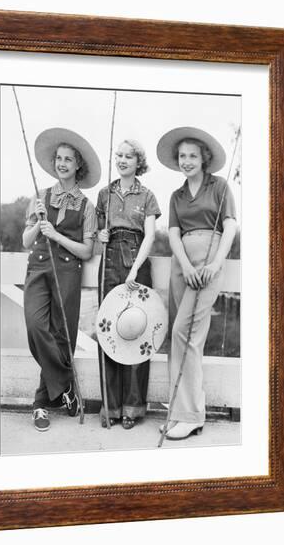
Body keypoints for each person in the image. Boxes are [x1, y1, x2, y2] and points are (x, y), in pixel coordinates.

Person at [156, 127, 237, 440]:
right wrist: (186, 265)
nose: (186, 161)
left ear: (204, 158)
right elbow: (174, 234)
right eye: (181, 156)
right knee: (179, 337)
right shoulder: (176, 195)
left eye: (192, 155)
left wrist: (215, 263)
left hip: (208, 264)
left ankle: (192, 415)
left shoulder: (219, 187)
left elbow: (229, 227)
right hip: (183, 265)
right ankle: (179, 413)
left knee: (184, 333)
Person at [23, 128, 100, 432]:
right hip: (38, 268)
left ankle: (41, 404)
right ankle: (67, 385)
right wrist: (38, 222)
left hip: (68, 272)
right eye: (59, 158)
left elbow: (87, 249)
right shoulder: (40, 196)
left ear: (78, 165)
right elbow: (27, 240)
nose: (62, 163)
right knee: (34, 325)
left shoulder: (87, 207)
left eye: (68, 159)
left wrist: (56, 235)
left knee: (61, 336)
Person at [96, 139, 161, 429]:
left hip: (137, 259)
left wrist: (134, 269)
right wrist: (100, 237)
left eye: (128, 156)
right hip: (108, 260)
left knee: (137, 329)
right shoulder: (104, 194)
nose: (122, 160)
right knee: (108, 330)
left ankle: (132, 409)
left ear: (139, 162)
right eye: (118, 155)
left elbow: (149, 236)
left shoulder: (147, 195)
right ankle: (110, 407)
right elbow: (97, 231)